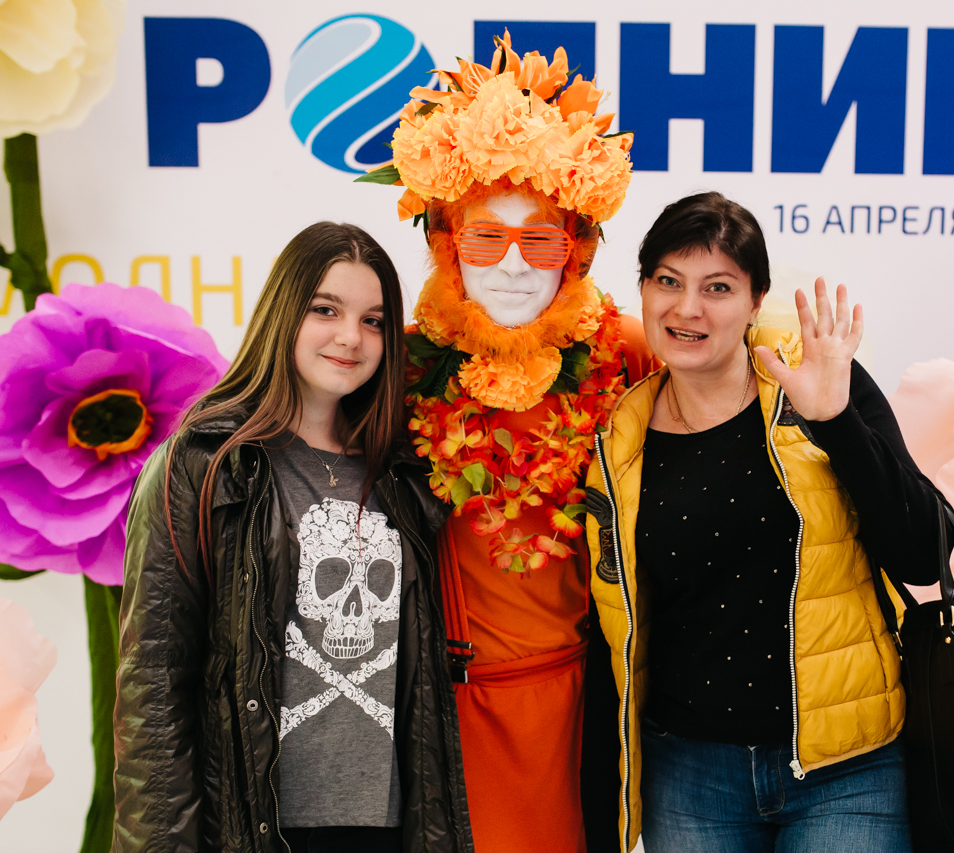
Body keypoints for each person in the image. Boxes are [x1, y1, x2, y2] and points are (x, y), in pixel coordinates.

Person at [584, 192, 950, 853]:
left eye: (717, 287)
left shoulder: (817, 385)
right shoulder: (618, 440)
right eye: (668, 281)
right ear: (642, 289)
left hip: (847, 766)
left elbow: (925, 554)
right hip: (689, 775)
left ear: (756, 301)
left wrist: (838, 422)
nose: (687, 308)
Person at [369, 33, 654, 853]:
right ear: (445, 244)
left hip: (579, 703)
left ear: (579, 247)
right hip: (435, 704)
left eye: (543, 239)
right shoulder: (405, 364)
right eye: (486, 239)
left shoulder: (625, 353)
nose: (516, 266)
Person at [113, 222, 471, 853]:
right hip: (258, 826)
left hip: (387, 828)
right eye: (325, 310)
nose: (350, 337)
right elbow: (154, 686)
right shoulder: (203, 465)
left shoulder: (405, 473)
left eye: (373, 320)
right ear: (283, 313)